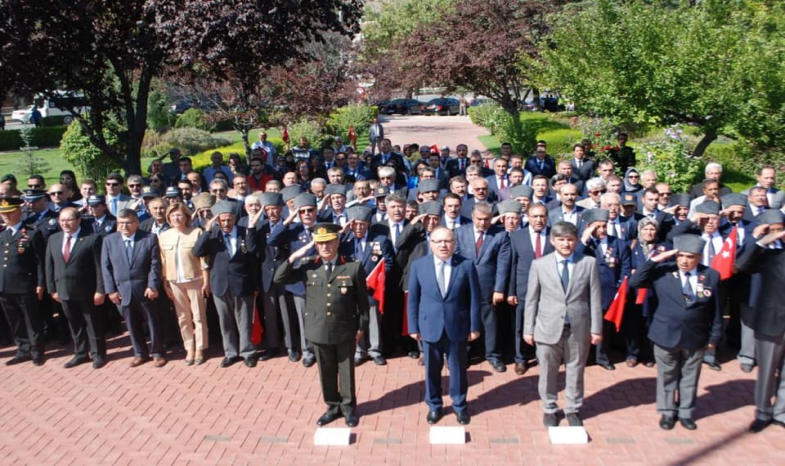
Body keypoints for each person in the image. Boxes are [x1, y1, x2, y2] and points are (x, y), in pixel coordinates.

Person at [274, 223, 370, 427]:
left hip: (344, 327)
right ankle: (332, 406)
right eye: (320, 243)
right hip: (318, 328)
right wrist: (295, 256)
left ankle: (348, 408)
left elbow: (362, 302)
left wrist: (361, 327)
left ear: (337, 241)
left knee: (346, 370)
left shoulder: (352, 266)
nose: (324, 247)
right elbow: (279, 277)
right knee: (325, 370)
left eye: (328, 242)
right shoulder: (309, 265)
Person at [629, 235, 723, 431]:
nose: (685, 261)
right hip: (665, 334)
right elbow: (635, 282)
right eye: (681, 256)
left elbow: (717, 310)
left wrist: (714, 337)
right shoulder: (663, 272)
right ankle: (668, 411)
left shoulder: (712, 275)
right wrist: (655, 260)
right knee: (667, 375)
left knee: (690, 376)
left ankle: (686, 412)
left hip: (696, 335)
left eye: (690, 256)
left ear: (699, 257)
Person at [524, 221, 603, 427]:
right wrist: (528, 329)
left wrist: (596, 328)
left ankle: (572, 408)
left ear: (576, 241)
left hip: (578, 326)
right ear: (552, 241)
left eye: (570, 239)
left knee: (576, 370)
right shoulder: (540, 264)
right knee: (548, 371)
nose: (566, 244)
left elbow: (595, 297)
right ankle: (549, 408)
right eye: (561, 239)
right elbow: (532, 299)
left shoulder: (588, 263)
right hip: (547, 327)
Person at [407, 226, 481, 425]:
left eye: (447, 241)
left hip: (457, 325)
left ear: (454, 244)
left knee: (457, 369)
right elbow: (413, 299)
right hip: (429, 326)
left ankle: (459, 405)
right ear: (430, 244)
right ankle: (434, 406)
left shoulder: (466, 265)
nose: (443, 245)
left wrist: (474, 326)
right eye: (438, 241)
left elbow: (474, 298)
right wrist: (412, 327)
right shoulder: (419, 266)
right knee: (431, 369)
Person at [194, 201, 262, 368]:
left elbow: (253, 255)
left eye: (229, 220)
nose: (226, 224)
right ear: (217, 221)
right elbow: (197, 252)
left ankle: (247, 352)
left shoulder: (244, 233)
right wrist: (207, 229)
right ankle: (230, 353)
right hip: (220, 285)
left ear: (234, 219)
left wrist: (256, 286)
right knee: (225, 322)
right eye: (222, 220)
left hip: (242, 284)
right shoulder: (212, 235)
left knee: (244, 321)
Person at [734, 210, 785, 433]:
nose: (778, 233)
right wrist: (760, 241)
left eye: (780, 229)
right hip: (770, 321)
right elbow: (742, 265)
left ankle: (781, 412)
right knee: (767, 371)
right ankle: (763, 411)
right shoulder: (762, 255)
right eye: (772, 229)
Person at [101, 209, 166, 367]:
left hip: (145, 289)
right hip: (122, 291)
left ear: (137, 222)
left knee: (153, 321)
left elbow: (155, 265)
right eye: (121, 223)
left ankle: (157, 352)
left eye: (128, 223)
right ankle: (140, 353)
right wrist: (111, 290)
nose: (124, 226)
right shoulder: (109, 240)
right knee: (131, 323)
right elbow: (106, 267)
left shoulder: (149, 238)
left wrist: (152, 285)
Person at [45, 207, 107, 369]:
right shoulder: (54, 239)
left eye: (69, 219)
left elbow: (99, 267)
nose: (65, 223)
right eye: (62, 220)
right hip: (64, 290)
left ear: (78, 220)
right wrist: (52, 289)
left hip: (87, 290)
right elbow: (49, 266)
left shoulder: (92, 239)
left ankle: (98, 353)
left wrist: (100, 289)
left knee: (92, 323)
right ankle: (80, 353)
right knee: (74, 323)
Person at [454, 203, 511, 373]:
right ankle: (463, 354)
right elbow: (454, 259)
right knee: (463, 320)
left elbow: (503, 263)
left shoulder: (500, 235)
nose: (482, 223)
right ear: (472, 217)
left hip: (488, 285)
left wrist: (499, 289)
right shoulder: (459, 232)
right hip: (463, 284)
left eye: (486, 219)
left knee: (490, 321)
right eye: (479, 219)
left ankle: (493, 355)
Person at [576, 209, 632, 371]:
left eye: (604, 226)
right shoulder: (584, 244)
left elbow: (625, 270)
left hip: (609, 292)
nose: (602, 229)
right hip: (585, 292)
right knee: (585, 325)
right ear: (588, 227)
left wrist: (620, 289)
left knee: (604, 327)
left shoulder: (619, 244)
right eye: (597, 226)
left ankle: (602, 356)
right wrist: (585, 239)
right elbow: (574, 259)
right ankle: (584, 356)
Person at [341, 206, 394, 366]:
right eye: (355, 224)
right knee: (356, 321)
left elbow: (389, 263)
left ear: (368, 224)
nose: (358, 227)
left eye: (362, 224)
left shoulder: (380, 240)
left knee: (373, 321)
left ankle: (375, 350)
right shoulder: (345, 241)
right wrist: (342, 233)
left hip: (372, 289)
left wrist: (377, 279)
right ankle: (359, 351)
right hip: (351, 290)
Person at [159, 203, 210, 366]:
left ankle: (200, 348)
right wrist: (165, 283)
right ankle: (189, 347)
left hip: (195, 280)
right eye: (173, 216)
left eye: (179, 215)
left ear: (187, 217)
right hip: (175, 281)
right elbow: (163, 262)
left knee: (198, 316)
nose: (176, 218)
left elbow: (204, 260)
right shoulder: (164, 236)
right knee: (183, 317)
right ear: (168, 218)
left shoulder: (196, 233)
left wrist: (206, 281)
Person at [0, 197, 46, 366]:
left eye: (9, 212)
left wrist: (41, 283)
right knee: (15, 320)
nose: (6, 216)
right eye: (3, 213)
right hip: (5, 286)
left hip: (25, 285)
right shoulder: (2, 235)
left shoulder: (31, 233)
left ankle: (36, 350)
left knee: (31, 319)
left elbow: (40, 262)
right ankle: (23, 349)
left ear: (19, 212)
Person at [508, 204, 553, 375]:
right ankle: (520, 358)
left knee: (546, 325)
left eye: (542, 216)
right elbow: (512, 265)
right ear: (528, 218)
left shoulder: (554, 235)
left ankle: (543, 356)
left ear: (547, 217)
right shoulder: (517, 237)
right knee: (521, 325)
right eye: (535, 216)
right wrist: (511, 291)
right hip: (523, 288)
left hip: (549, 290)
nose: (539, 220)